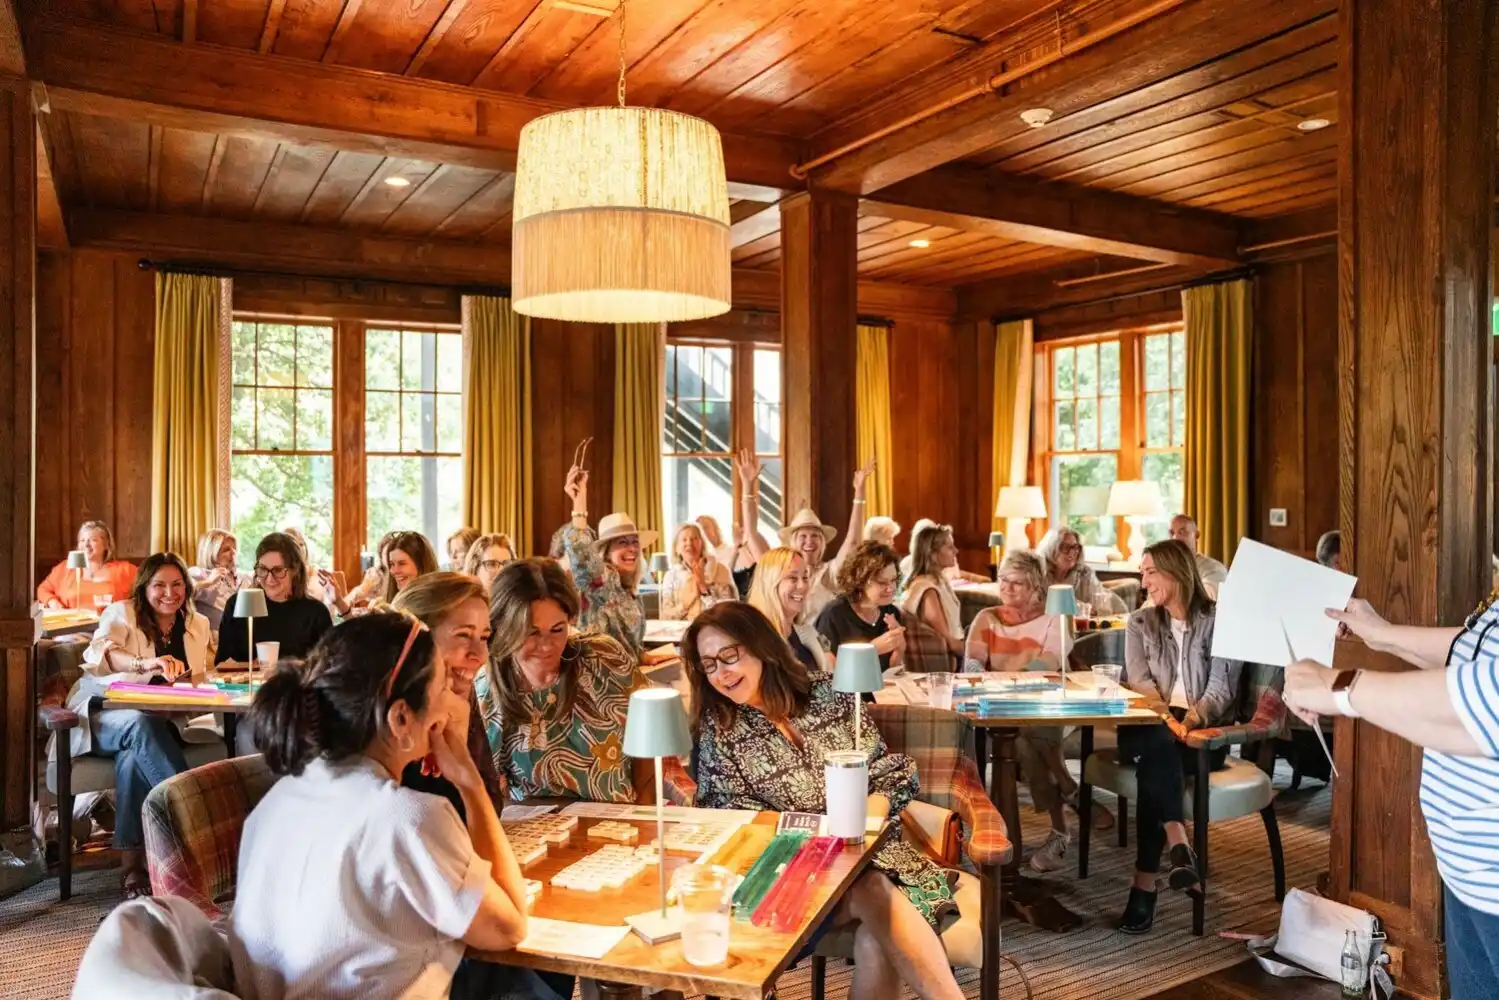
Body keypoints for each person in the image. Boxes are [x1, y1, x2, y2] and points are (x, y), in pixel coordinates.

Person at [230, 614, 530, 1000]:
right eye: (443, 687)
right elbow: (509, 928)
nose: (454, 703)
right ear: (401, 717)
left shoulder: (278, 799)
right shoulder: (408, 817)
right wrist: (471, 785)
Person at [685, 603, 965, 1000]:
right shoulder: (720, 728)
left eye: (729, 655)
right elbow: (726, 813)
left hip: (869, 855)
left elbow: (885, 771)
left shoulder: (828, 692)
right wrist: (813, 841)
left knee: (874, 936)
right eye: (709, 665)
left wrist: (867, 818)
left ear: (761, 645)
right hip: (791, 874)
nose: (721, 673)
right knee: (871, 889)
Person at [1285, 596, 1499, 997]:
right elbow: (1477, 652)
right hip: (1467, 872)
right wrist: (1383, 635)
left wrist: (1341, 687)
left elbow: (1489, 704)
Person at [57, 553, 212, 897]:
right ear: (144, 587)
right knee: (139, 726)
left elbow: (197, 677)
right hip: (102, 716)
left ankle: (132, 868)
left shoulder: (197, 624)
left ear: (187, 588)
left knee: (132, 756)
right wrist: (145, 664)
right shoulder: (122, 613)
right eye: (159, 585)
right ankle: (197, 826)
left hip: (159, 722)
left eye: (177, 584)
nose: (169, 593)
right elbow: (104, 652)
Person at [1116, 539, 1243, 934]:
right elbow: (1140, 685)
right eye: (1142, 573)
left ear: (1175, 571)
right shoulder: (1140, 623)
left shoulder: (1222, 621)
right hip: (1149, 723)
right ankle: (1178, 841)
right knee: (1158, 743)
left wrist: (1189, 720)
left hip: (1202, 732)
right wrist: (1168, 721)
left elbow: (1221, 689)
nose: (1143, 581)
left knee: (1154, 767)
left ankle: (1144, 885)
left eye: (1150, 572)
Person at [476, 558, 649, 803]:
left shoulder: (603, 660)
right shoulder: (488, 689)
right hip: (533, 824)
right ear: (504, 628)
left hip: (619, 820)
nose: (547, 645)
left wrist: (645, 813)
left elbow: (648, 740)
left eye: (557, 629)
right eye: (531, 632)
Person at [963, 549, 1082, 870]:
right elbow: (971, 664)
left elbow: (1050, 661)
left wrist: (1009, 681)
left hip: (1047, 707)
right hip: (998, 710)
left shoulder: (1054, 617)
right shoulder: (986, 618)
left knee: (1025, 739)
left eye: (1016, 583)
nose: (1006, 587)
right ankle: (1067, 796)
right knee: (1022, 739)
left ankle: (1056, 829)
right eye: (1003, 580)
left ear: (1035, 588)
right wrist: (991, 680)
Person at [392, 574, 504, 818]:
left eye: (484, 638)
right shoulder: (390, 713)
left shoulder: (458, 693)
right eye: (463, 635)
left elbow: (490, 806)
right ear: (417, 642)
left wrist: (460, 750)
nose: (480, 655)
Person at [737, 450, 877, 621]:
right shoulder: (779, 569)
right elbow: (751, 533)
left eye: (815, 536)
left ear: (823, 542)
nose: (809, 541)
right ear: (792, 541)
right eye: (803, 536)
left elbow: (853, 541)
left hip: (823, 638)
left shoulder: (829, 573)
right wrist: (747, 485)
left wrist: (859, 492)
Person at [559, 451, 653, 656]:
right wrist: (579, 502)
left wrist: (644, 657)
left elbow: (629, 644)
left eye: (634, 542)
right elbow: (581, 552)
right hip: (597, 673)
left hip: (627, 672)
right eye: (622, 543)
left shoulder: (630, 590)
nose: (632, 549)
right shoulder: (602, 580)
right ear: (607, 552)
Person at [215, 533, 333, 670]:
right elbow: (221, 663)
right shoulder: (238, 604)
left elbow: (330, 666)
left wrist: (286, 668)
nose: (269, 578)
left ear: (294, 570)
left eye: (278, 570)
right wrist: (254, 666)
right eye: (263, 569)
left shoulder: (316, 613)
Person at [815, 541, 906, 671]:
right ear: (860, 580)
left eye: (893, 580)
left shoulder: (891, 612)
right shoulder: (833, 614)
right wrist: (871, 650)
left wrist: (900, 647)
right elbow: (829, 671)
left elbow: (891, 670)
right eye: (882, 582)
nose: (891, 588)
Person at [746, 547, 831, 672]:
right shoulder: (753, 641)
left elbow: (831, 674)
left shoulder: (809, 632)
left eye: (805, 577)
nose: (802, 586)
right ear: (771, 583)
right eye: (793, 578)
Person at [37, 520, 137, 610]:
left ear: (106, 544)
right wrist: (52, 602)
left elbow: (144, 588)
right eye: (82, 540)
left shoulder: (125, 570)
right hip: (71, 623)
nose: (86, 545)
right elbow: (43, 589)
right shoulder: (65, 567)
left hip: (109, 623)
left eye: (93, 540)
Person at [901, 522, 964, 658]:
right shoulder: (926, 588)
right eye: (950, 547)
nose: (956, 551)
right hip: (947, 657)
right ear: (932, 554)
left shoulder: (939, 580)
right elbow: (949, 642)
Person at [1036, 527, 1125, 614]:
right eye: (1065, 547)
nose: (1072, 552)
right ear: (1051, 549)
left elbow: (1102, 603)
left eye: (1075, 547)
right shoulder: (1037, 574)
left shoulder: (1084, 573)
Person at [660, 522, 736, 621]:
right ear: (676, 548)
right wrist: (685, 604)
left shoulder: (720, 570)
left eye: (694, 538)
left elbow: (728, 612)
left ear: (702, 544)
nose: (689, 543)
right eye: (684, 540)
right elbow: (666, 616)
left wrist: (703, 588)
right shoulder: (671, 576)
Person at [188, 529, 250, 630]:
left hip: (244, 634)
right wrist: (208, 582)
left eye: (234, 548)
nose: (233, 553)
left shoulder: (244, 577)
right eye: (226, 550)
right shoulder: (198, 573)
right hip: (214, 636)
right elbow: (182, 592)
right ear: (211, 553)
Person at [1167, 514, 1229, 596]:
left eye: (1182, 532)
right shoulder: (1162, 568)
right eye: (1171, 533)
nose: (1175, 538)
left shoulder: (1213, 568)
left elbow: (1210, 595)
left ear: (1196, 535)